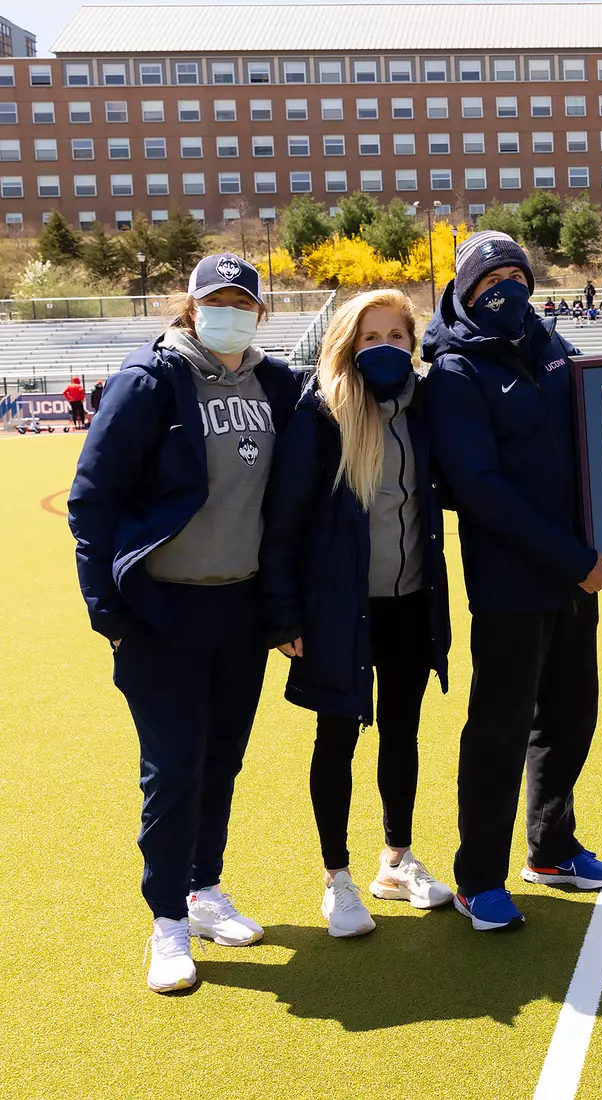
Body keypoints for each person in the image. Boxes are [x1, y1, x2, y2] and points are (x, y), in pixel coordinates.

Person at [66, 252, 300, 992]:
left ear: (259, 312)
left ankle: (203, 891)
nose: (229, 312)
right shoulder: (150, 380)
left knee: (221, 762)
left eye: (243, 302)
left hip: (240, 606)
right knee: (173, 770)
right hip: (162, 610)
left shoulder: (274, 383)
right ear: (191, 305)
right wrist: (110, 613)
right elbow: (91, 500)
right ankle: (166, 920)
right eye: (215, 300)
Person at [423, 231, 602, 933]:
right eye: (489, 281)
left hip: (574, 575)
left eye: (515, 275)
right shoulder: (454, 372)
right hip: (514, 581)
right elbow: (481, 489)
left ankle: (552, 849)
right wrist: (573, 560)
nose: (505, 289)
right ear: (465, 292)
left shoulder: (549, 345)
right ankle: (478, 878)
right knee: (500, 732)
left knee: (570, 716)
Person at [260, 288, 454, 938]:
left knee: (402, 731)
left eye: (396, 337)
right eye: (371, 338)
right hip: (340, 611)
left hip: (411, 601)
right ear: (348, 345)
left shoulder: (426, 406)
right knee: (337, 736)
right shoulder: (320, 414)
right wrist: (284, 615)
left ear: (412, 344)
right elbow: (283, 522)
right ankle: (337, 880)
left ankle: (396, 861)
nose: (385, 348)